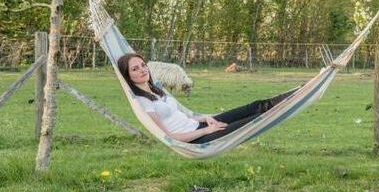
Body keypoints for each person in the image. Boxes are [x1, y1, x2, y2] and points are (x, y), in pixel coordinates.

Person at [116, 53, 296, 144]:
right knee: (256, 120)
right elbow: (171, 137)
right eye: (135, 69)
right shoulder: (143, 102)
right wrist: (207, 131)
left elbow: (185, 115)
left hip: (200, 125)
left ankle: (299, 93)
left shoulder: (157, 90)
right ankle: (293, 102)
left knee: (256, 106)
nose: (142, 69)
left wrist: (206, 118)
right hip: (197, 139)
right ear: (128, 76)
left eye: (142, 65)